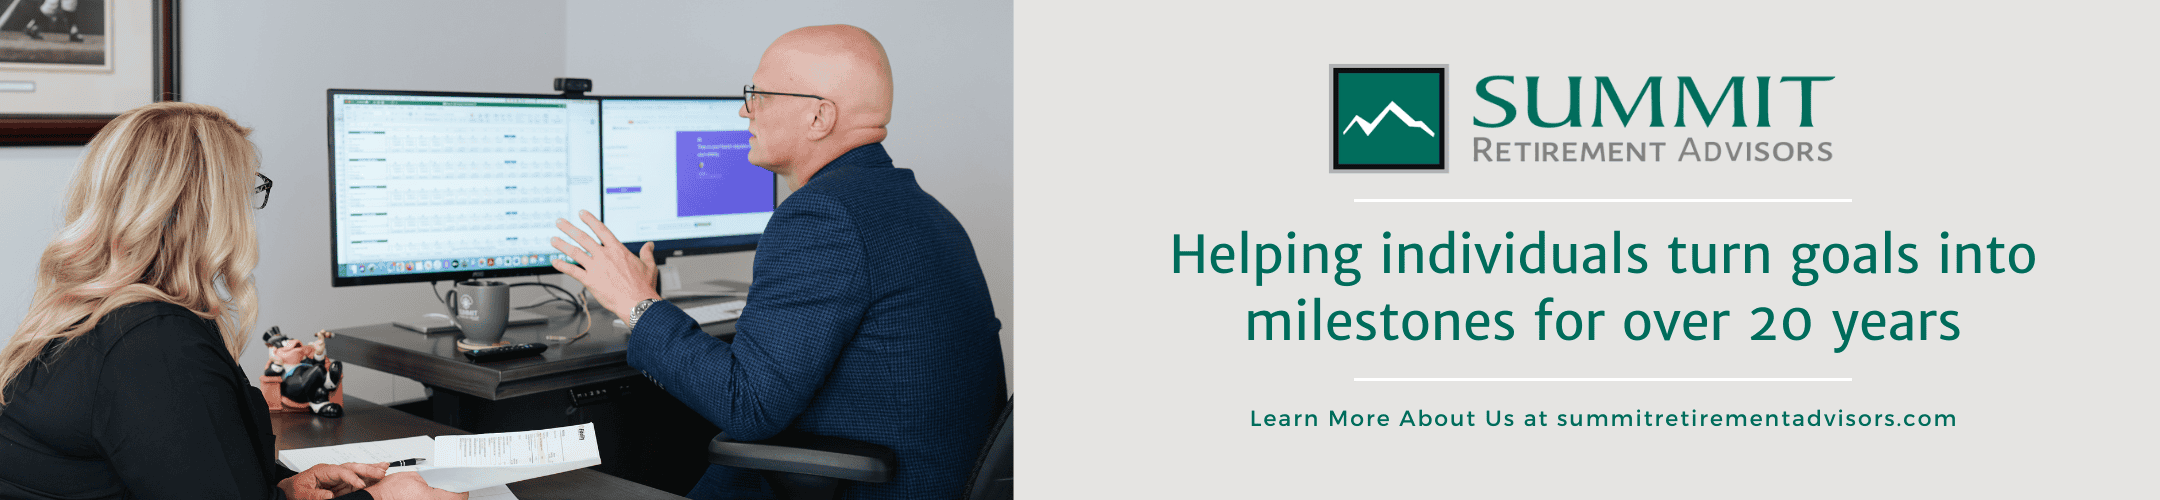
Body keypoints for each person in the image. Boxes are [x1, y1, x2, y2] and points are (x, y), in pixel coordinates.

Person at [549, 25, 1006, 499]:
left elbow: (746, 405)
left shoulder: (824, 214)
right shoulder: (920, 208)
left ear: (819, 117)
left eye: (760, 96)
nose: (744, 110)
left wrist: (636, 303)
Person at [0, 102, 464, 500]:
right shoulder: (152, 345)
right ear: (207, 209)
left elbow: (183, 472)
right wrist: (384, 498)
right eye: (246, 190)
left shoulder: (98, 318)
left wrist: (285, 488)